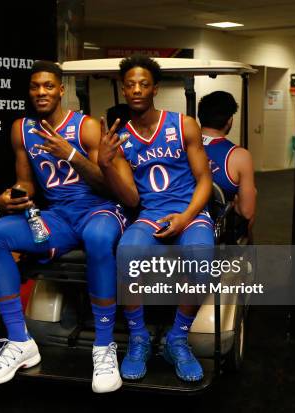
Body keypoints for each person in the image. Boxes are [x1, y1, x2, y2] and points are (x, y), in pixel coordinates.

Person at [0, 61, 126, 393]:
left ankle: (104, 347)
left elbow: (111, 186)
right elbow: (25, 183)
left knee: (99, 237)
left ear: (61, 90)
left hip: (98, 209)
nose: (40, 92)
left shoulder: (85, 127)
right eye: (34, 86)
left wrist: (71, 154)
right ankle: (19, 342)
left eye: (48, 86)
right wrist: (10, 198)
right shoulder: (22, 129)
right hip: (57, 217)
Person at [98, 55, 214, 382]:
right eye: (130, 84)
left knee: (201, 256)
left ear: (155, 89)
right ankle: (138, 338)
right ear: (123, 90)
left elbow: (204, 179)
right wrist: (105, 163)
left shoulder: (183, 124)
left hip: (189, 211)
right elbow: (132, 198)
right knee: (126, 252)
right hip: (151, 213)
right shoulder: (120, 138)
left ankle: (177, 339)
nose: (136, 90)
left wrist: (186, 216)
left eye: (143, 84)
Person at [198, 91, 256, 234]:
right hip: (218, 229)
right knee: (252, 194)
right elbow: (247, 212)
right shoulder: (240, 156)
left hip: (183, 221)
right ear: (229, 120)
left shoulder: (180, 146)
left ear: (200, 117)